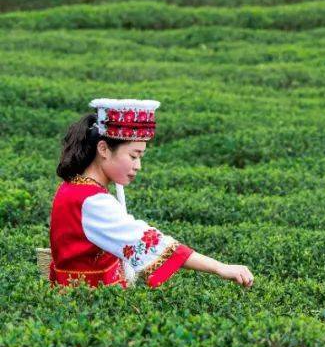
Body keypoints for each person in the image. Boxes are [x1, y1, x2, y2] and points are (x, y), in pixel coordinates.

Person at [50, 98, 254, 288]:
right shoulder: (93, 201)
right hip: (89, 306)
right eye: (133, 155)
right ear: (103, 149)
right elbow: (148, 242)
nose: (138, 166)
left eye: (140, 157)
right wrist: (219, 267)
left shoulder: (72, 187)